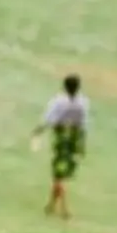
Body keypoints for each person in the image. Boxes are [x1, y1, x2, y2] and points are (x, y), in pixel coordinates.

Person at [33, 74, 90, 218]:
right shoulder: (82, 102)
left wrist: (39, 129)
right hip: (74, 138)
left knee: (59, 174)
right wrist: (82, 144)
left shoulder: (59, 101)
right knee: (62, 174)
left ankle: (63, 209)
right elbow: (83, 124)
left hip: (62, 137)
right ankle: (51, 205)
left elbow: (50, 118)